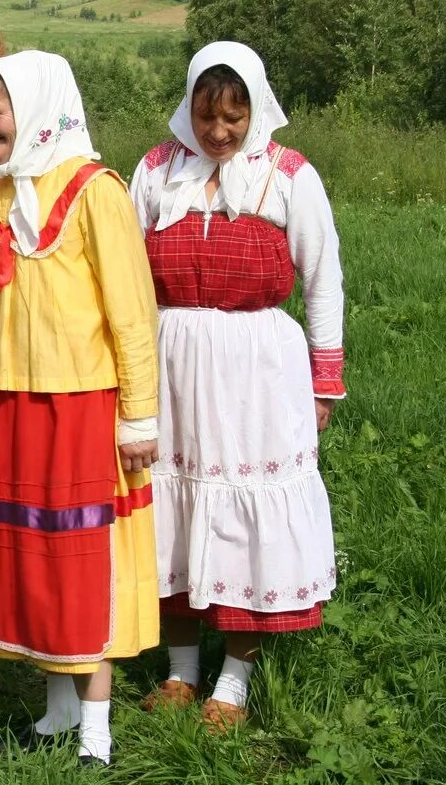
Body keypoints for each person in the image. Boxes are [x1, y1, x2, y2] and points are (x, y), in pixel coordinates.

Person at [129, 41, 343, 732]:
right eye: (206, 115)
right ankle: (181, 671)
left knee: (243, 516)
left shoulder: (287, 175)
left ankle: (235, 681)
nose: (218, 132)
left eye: (233, 117)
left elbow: (323, 278)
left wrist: (323, 382)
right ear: (188, 109)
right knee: (175, 512)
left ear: (256, 109)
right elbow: (126, 273)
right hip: (170, 367)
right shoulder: (158, 171)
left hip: (257, 373)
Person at [0, 51, 159, 768]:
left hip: (78, 405)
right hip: (7, 400)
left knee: (82, 562)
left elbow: (132, 312)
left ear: (38, 110)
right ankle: (53, 712)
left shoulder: (94, 191)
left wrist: (140, 415)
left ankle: (96, 734)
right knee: (34, 559)